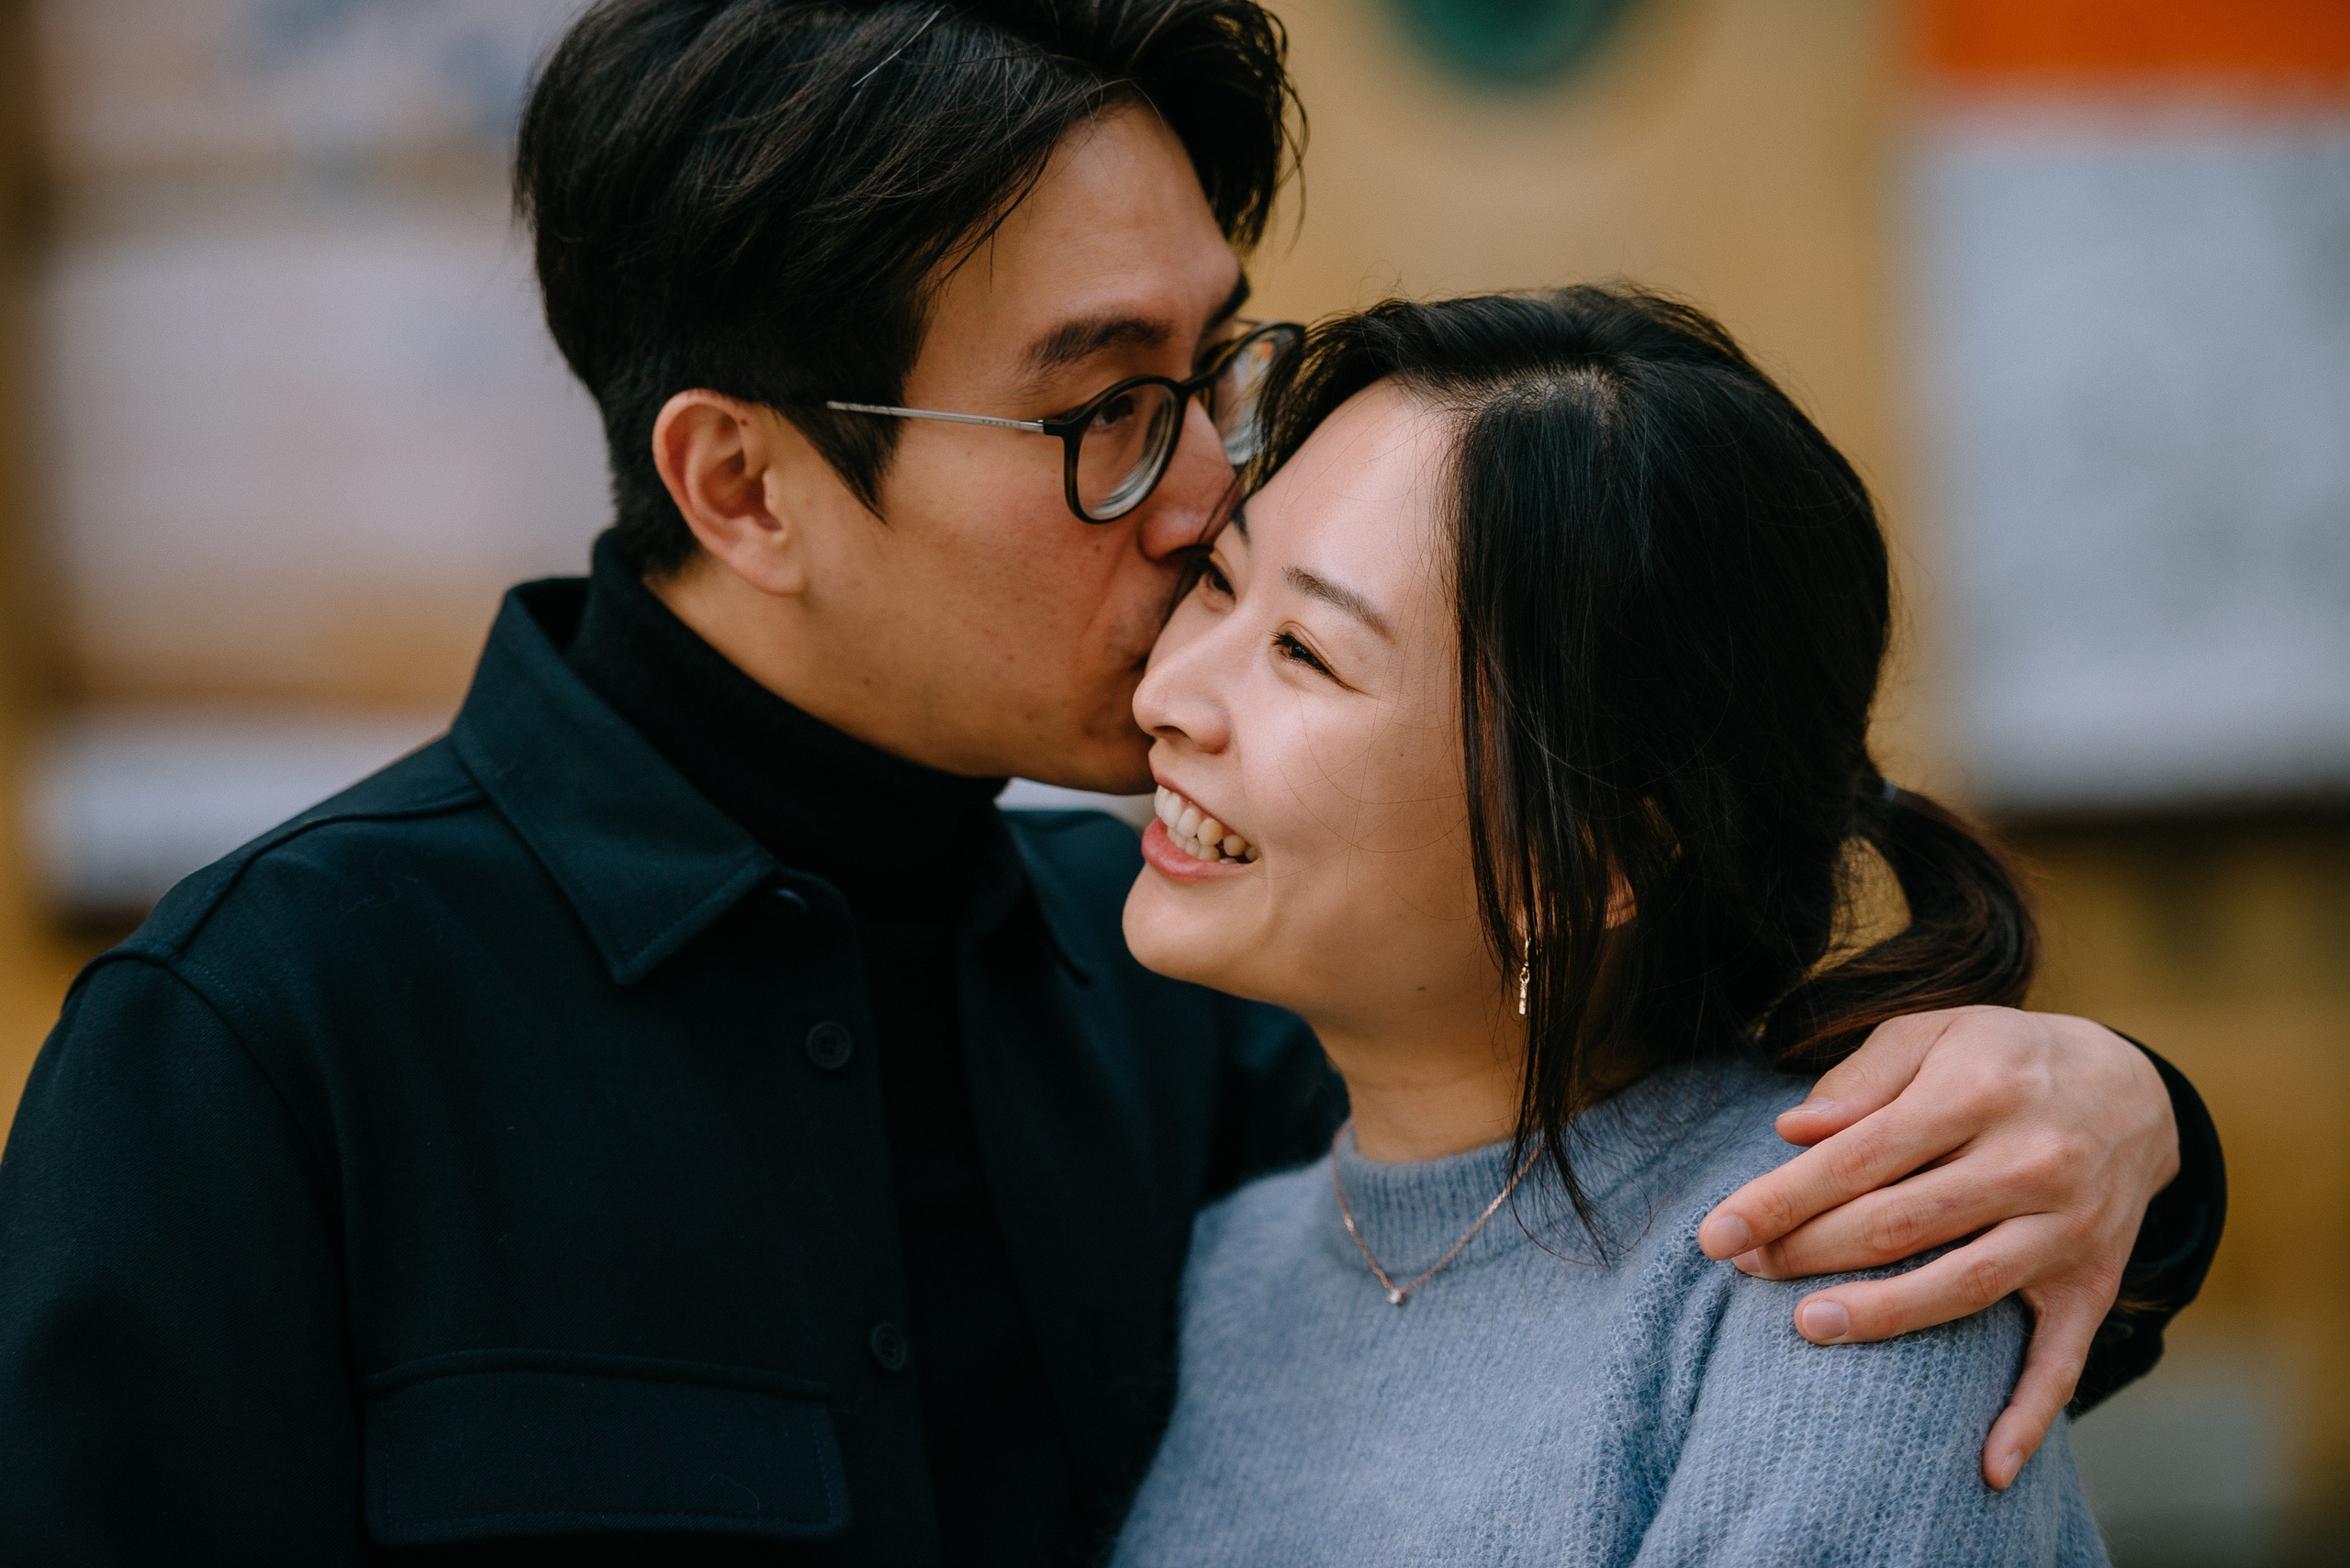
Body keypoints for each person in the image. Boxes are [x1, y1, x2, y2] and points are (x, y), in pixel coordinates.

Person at [0, 3, 2217, 1562]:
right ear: (746, 481)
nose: (1192, 500)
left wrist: (2128, 1122)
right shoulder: (264, 1048)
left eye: (1210, 369)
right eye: (1099, 407)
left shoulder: (1203, 980)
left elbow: (1665, 1297)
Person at [1111, 286, 2111, 1564]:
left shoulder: (1837, 1284)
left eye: (1305, 651)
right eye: (1216, 581)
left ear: (1591, 863)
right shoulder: (1217, 1273)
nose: (1169, 692)